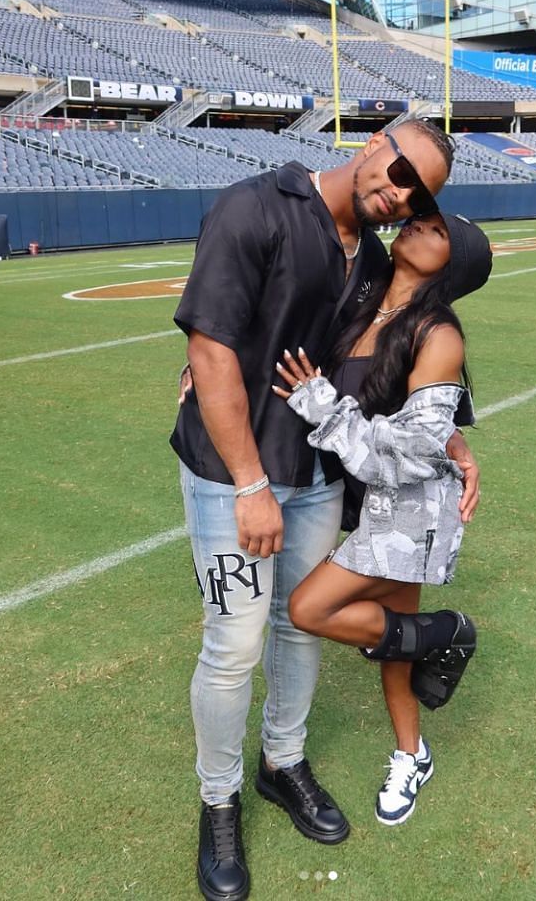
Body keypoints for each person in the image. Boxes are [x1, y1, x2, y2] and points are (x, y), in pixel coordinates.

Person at [171, 120, 475, 901]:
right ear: (375, 141)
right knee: (234, 644)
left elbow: (379, 364)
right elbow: (211, 348)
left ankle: (283, 762)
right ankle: (219, 803)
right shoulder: (255, 208)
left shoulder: (375, 259)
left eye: (419, 192)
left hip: (317, 478)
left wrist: (457, 444)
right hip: (232, 473)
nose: (399, 192)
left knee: (294, 629)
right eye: (400, 168)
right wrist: (247, 482)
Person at [273, 207, 492, 829]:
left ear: (455, 265)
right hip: (369, 496)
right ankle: (412, 753)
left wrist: (320, 405)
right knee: (394, 640)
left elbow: (416, 452)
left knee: (309, 608)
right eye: (420, 220)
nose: (419, 225)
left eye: (439, 230)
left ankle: (449, 631)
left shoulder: (439, 333)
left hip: (411, 511)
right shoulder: (366, 300)